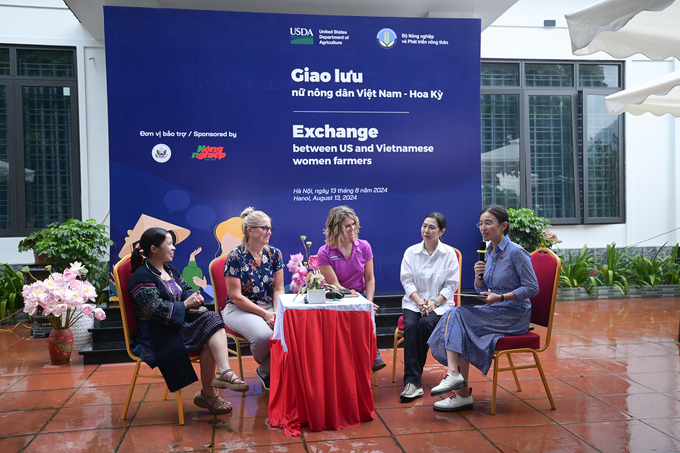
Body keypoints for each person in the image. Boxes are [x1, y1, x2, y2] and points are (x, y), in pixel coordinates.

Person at [427, 205, 539, 412]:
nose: (483, 227)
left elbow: (532, 288)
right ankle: (458, 386)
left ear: (504, 225)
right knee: (457, 318)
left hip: (514, 315)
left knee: (457, 316)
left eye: (488, 223)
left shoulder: (517, 253)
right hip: (495, 310)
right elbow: (484, 290)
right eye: (481, 223)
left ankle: (456, 384)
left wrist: (501, 297)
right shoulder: (489, 251)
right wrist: (479, 278)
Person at [128, 227, 248, 416]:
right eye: (169, 244)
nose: (174, 247)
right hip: (155, 333)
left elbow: (187, 290)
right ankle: (212, 389)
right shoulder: (141, 276)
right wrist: (185, 305)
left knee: (212, 323)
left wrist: (195, 297)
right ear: (154, 249)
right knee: (211, 325)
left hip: (177, 325)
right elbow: (154, 310)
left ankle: (218, 380)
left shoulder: (169, 269)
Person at [399, 212, 459, 401]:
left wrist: (434, 303)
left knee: (425, 324)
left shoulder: (449, 253)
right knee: (410, 327)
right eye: (424, 226)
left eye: (432, 227)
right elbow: (407, 281)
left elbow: (451, 285)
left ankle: (413, 381)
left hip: (440, 304)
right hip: (413, 302)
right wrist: (419, 302)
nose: (426, 230)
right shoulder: (411, 252)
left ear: (442, 231)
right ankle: (413, 381)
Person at [317, 205, 386, 372]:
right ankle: (365, 359)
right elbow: (334, 284)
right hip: (335, 296)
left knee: (365, 313)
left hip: (360, 294)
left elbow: (370, 278)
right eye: (347, 226)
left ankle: (371, 357)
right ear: (336, 228)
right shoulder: (324, 252)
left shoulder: (364, 246)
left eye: (354, 224)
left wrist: (368, 303)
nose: (352, 228)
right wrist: (355, 298)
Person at [223, 207, 284, 391]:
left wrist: (276, 312)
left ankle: (266, 369)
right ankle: (270, 370)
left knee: (291, 329)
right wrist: (266, 315)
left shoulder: (275, 254)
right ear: (249, 231)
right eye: (264, 228)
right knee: (263, 336)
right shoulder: (234, 257)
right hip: (238, 308)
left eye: (270, 228)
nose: (268, 232)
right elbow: (235, 296)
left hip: (269, 305)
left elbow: (279, 289)